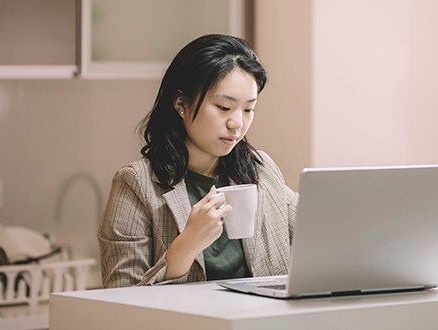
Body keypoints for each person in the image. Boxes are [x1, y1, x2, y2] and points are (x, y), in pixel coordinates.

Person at [99, 34, 297, 288]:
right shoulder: (136, 184)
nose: (237, 124)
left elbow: (318, 224)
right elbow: (119, 297)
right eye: (224, 107)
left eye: (248, 109)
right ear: (181, 103)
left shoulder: (261, 169)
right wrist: (186, 246)